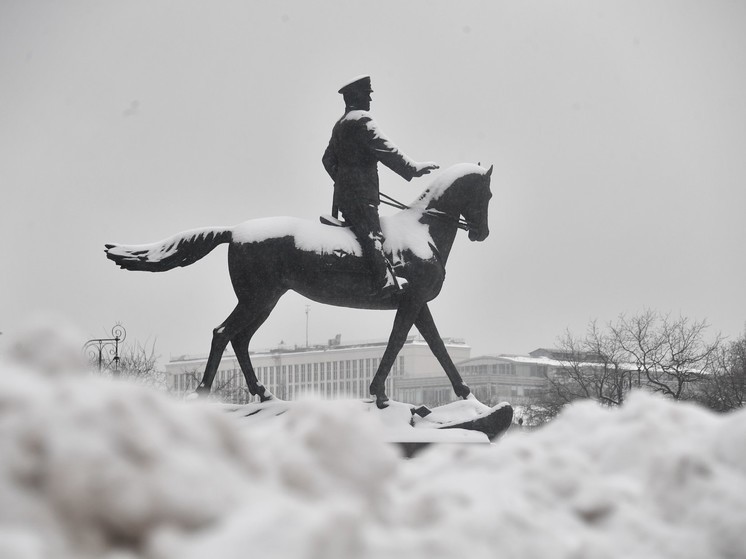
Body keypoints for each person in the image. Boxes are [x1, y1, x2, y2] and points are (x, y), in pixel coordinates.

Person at [322, 75, 438, 295]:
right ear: (357, 96)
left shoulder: (340, 125)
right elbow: (387, 151)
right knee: (372, 236)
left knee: (363, 234)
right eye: (367, 95)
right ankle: (383, 282)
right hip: (362, 196)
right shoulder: (362, 121)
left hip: (346, 196)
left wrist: (343, 181)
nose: (370, 100)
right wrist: (413, 169)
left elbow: (327, 160)